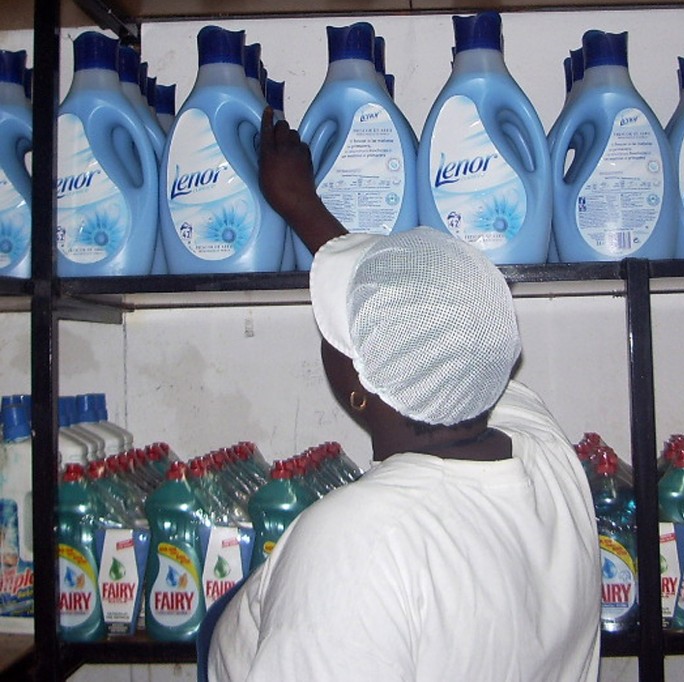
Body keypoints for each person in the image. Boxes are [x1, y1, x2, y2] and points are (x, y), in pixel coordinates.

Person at [207, 109, 601, 681]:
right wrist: (300, 204)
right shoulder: (545, 451)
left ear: (359, 389)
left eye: (333, 327)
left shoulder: (356, 545)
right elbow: (449, 328)